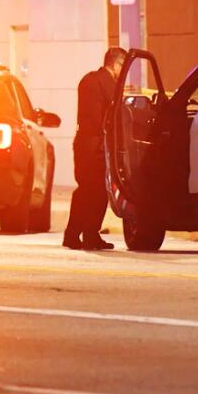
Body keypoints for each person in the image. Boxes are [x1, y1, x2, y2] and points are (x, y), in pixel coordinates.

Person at [64, 46, 127, 250]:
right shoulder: (102, 83)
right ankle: (79, 234)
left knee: (93, 191)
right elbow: (100, 119)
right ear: (116, 64)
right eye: (123, 66)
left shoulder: (90, 81)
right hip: (94, 147)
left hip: (88, 144)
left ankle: (85, 234)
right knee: (91, 191)